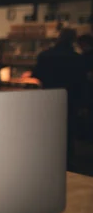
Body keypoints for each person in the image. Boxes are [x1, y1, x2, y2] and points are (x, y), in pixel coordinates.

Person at [33, 28, 85, 171]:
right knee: (68, 132)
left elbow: (37, 75)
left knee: (48, 131)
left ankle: (48, 159)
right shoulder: (77, 58)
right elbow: (81, 82)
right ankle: (67, 162)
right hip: (70, 99)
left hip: (48, 98)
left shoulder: (45, 55)